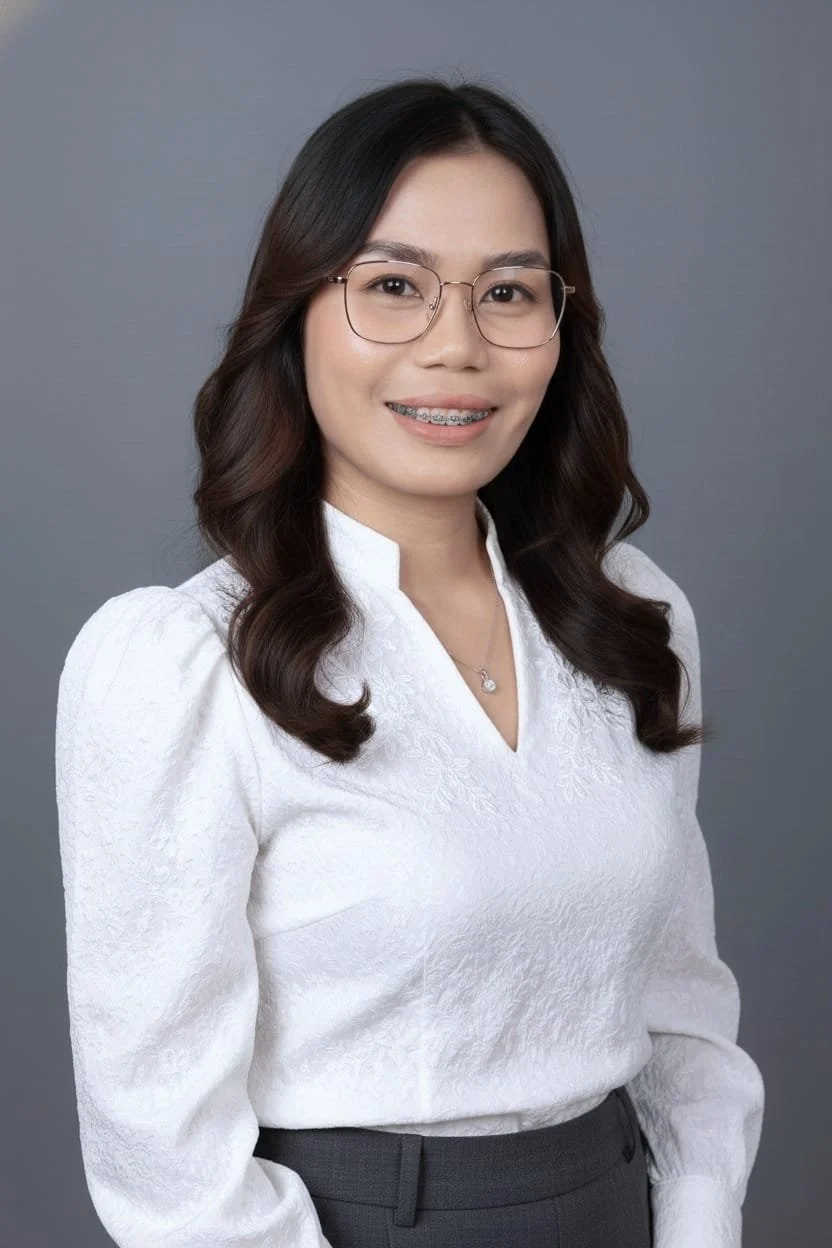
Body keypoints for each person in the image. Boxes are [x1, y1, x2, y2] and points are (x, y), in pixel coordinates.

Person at [54, 76, 765, 1248]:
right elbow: (162, 1151)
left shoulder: (631, 616)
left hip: (617, 1207)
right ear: (296, 313)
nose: (456, 346)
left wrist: (697, 1218)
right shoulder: (186, 666)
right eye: (392, 286)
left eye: (508, 292)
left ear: (561, 327)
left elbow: (678, 1006)